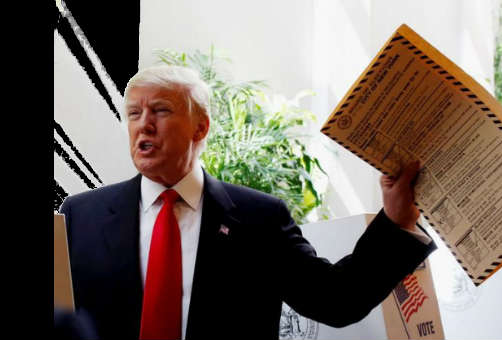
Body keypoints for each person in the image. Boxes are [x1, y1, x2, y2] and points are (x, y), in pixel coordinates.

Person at [59, 65, 436, 339]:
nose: (144, 125)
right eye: (134, 114)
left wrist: (395, 221)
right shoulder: (81, 216)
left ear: (200, 127)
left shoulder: (259, 219)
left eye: (161, 110)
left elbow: (336, 301)